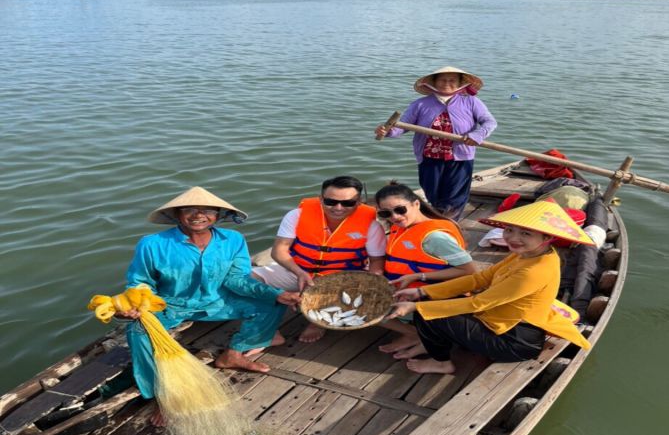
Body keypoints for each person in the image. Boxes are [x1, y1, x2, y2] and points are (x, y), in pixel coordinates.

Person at [112, 186, 300, 422]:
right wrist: (139, 302)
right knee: (138, 331)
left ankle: (234, 354)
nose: (198, 215)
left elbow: (237, 279)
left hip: (220, 299)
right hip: (170, 304)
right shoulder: (152, 244)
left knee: (271, 302)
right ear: (177, 214)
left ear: (219, 215)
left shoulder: (233, 240)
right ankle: (161, 395)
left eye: (208, 210)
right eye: (189, 209)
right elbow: (140, 281)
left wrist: (276, 293)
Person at [387, 199, 593, 375]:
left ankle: (442, 362)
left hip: (514, 341)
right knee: (427, 299)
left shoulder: (534, 270)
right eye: (510, 230)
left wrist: (416, 305)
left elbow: (479, 302)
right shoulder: (524, 255)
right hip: (499, 321)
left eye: (526, 234)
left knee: (424, 311)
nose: (513, 238)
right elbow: (480, 279)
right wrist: (421, 290)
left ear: (547, 238)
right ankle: (429, 342)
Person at [252, 176, 386, 343]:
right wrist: (299, 272)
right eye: (331, 201)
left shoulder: (371, 225)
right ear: (321, 198)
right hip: (297, 271)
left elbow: (376, 261)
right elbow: (279, 251)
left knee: (364, 293)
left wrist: (371, 283)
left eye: (348, 203)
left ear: (358, 202)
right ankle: (268, 326)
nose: (338, 208)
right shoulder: (297, 215)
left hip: (341, 279)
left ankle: (317, 323)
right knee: (247, 279)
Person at [375, 66, 497, 220]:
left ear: (460, 83)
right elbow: (403, 126)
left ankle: (449, 223)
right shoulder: (420, 104)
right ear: (433, 82)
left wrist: (477, 135)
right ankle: (438, 219)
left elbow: (489, 122)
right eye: (442, 80)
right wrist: (388, 132)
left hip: (460, 157)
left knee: (455, 197)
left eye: (452, 80)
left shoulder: (471, 102)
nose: (447, 83)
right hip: (429, 157)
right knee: (433, 194)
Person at [375, 181, 477, 357]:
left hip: (432, 295)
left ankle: (416, 334)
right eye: (386, 213)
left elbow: (470, 270)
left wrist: (419, 276)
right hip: (407, 289)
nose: (394, 217)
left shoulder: (435, 237)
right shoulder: (401, 228)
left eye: (400, 210)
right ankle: (417, 333)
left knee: (366, 309)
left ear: (416, 203)